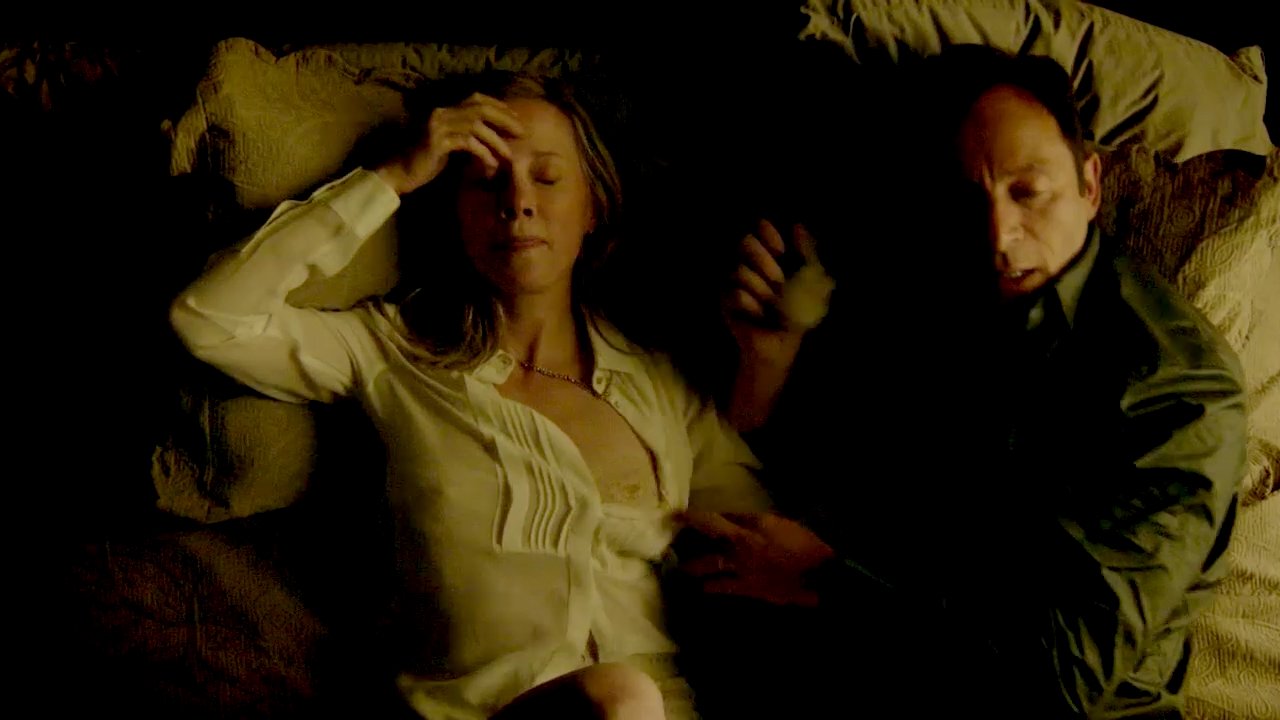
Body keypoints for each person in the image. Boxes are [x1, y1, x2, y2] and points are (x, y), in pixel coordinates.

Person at [169, 70, 771, 720]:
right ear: (454, 209)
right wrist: (392, 176)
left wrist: (769, 354)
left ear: (594, 207)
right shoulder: (394, 353)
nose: (517, 202)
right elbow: (211, 319)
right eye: (486, 181)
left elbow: (758, 533)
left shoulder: (660, 383)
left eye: (547, 178)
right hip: (484, 713)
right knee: (622, 696)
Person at [689, 45, 1247, 718]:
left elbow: (1058, 678)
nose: (999, 235)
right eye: (967, 198)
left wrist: (819, 580)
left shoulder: (1175, 389)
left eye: (1028, 192)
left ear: (1089, 184)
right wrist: (770, 361)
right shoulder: (937, 286)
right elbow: (836, 481)